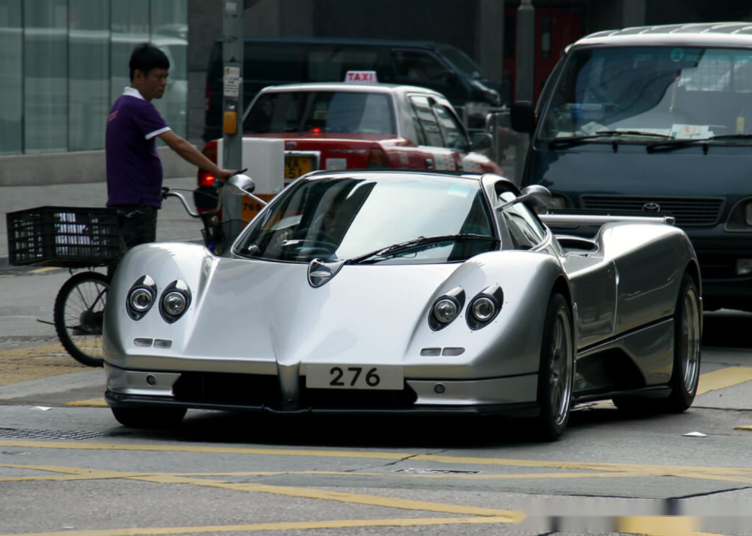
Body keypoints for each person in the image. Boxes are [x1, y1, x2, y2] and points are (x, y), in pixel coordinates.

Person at [106, 43, 236, 256]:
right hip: (137, 207)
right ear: (138, 76)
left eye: (166, 77)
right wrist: (217, 172)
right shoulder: (139, 107)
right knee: (137, 269)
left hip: (125, 202)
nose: (164, 83)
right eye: (158, 77)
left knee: (124, 268)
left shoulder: (120, 104)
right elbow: (179, 145)